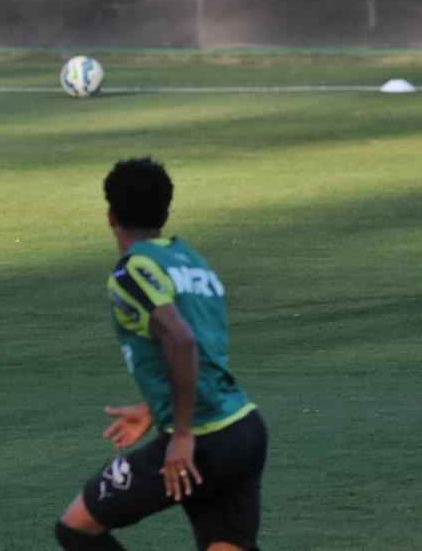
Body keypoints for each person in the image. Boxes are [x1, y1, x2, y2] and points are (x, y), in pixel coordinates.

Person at [55, 157, 268, 551]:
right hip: (243, 430)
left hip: (201, 439)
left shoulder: (131, 272)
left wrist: (181, 433)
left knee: (76, 527)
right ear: (165, 212)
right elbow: (200, 348)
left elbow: (182, 341)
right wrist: (156, 408)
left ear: (110, 215)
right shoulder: (191, 261)